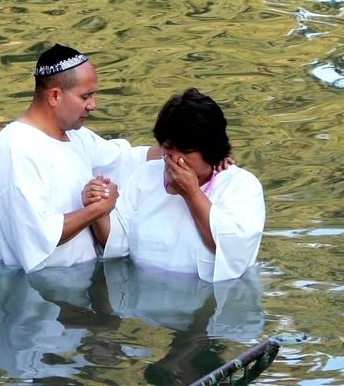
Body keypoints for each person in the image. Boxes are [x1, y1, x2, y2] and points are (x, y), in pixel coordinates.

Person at [0, 43, 157, 272]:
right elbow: (37, 233)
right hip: (37, 295)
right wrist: (97, 210)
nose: (93, 105)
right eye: (85, 96)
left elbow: (129, 160)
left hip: (78, 284)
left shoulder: (77, 137)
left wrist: (203, 154)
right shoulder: (16, 149)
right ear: (55, 96)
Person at [95, 88, 264, 282]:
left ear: (210, 149)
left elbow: (232, 252)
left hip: (208, 304)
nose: (175, 158)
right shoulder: (146, 175)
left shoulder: (241, 186)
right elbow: (117, 242)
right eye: (168, 148)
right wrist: (98, 209)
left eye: (185, 151)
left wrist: (191, 193)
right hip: (146, 303)